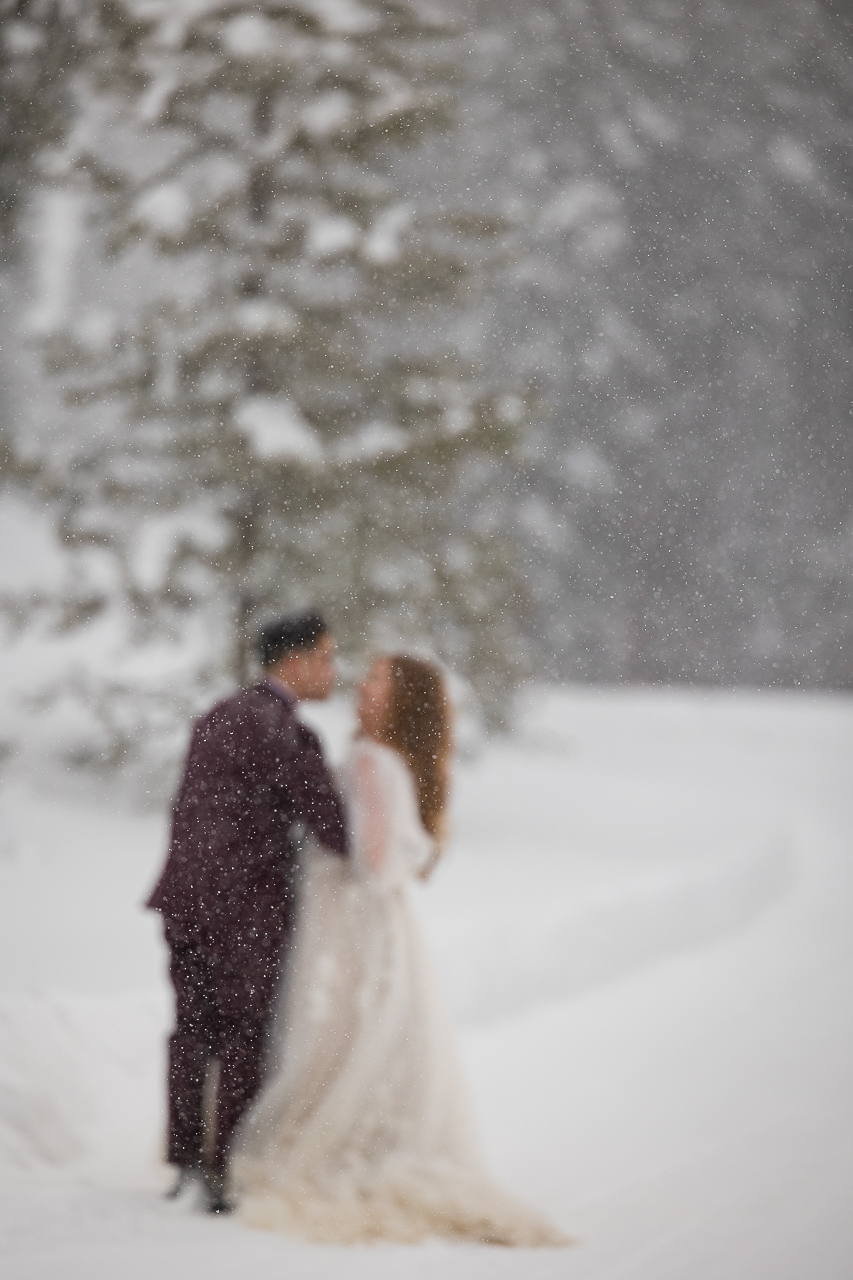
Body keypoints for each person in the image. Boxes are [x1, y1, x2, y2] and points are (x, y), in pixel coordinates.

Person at [231, 654, 569, 1245]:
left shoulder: (371, 760)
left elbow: (376, 861)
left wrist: (322, 847)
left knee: (338, 1030)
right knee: (364, 1034)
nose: (361, 684)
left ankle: (331, 1142)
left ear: (398, 698)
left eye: (375, 679)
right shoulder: (390, 758)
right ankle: (362, 1136)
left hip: (350, 916)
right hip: (377, 921)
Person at [146, 612, 348, 1213]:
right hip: (245, 909)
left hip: (184, 899)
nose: (335, 671)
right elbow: (335, 831)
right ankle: (225, 1170)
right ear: (296, 661)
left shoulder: (218, 715)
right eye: (328, 657)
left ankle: (184, 1161)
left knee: (191, 1030)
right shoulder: (286, 732)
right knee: (242, 1036)